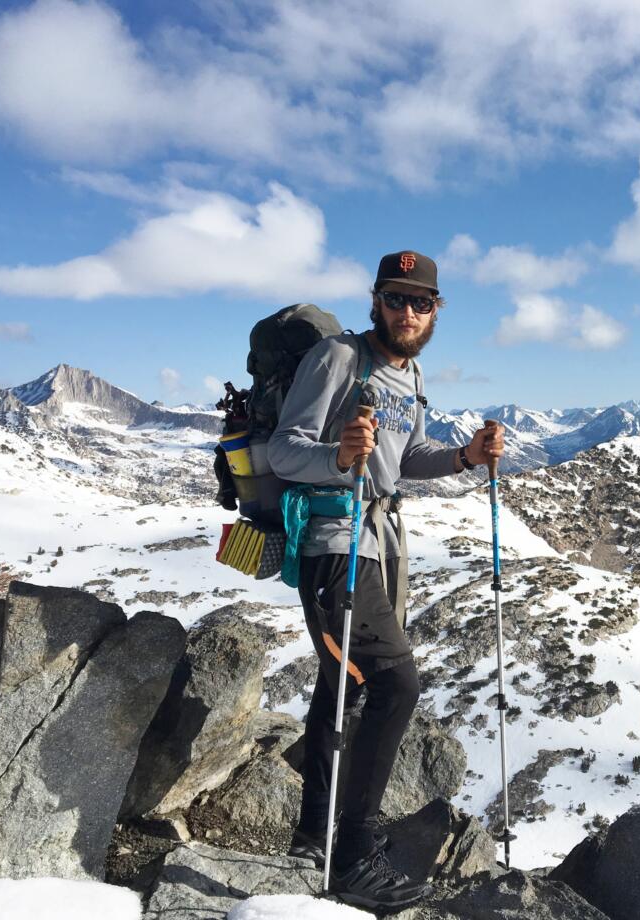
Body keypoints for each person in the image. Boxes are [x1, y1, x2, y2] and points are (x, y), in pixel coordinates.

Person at [268, 250, 504, 910]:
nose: (407, 311)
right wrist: (337, 455)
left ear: (436, 311)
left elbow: (402, 461)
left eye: (419, 301)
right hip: (330, 546)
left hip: (377, 547)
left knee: (341, 686)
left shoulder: (411, 374)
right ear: (376, 300)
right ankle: (354, 854)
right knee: (396, 683)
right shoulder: (340, 360)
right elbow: (287, 452)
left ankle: (314, 834)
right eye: (396, 298)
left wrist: (463, 456)